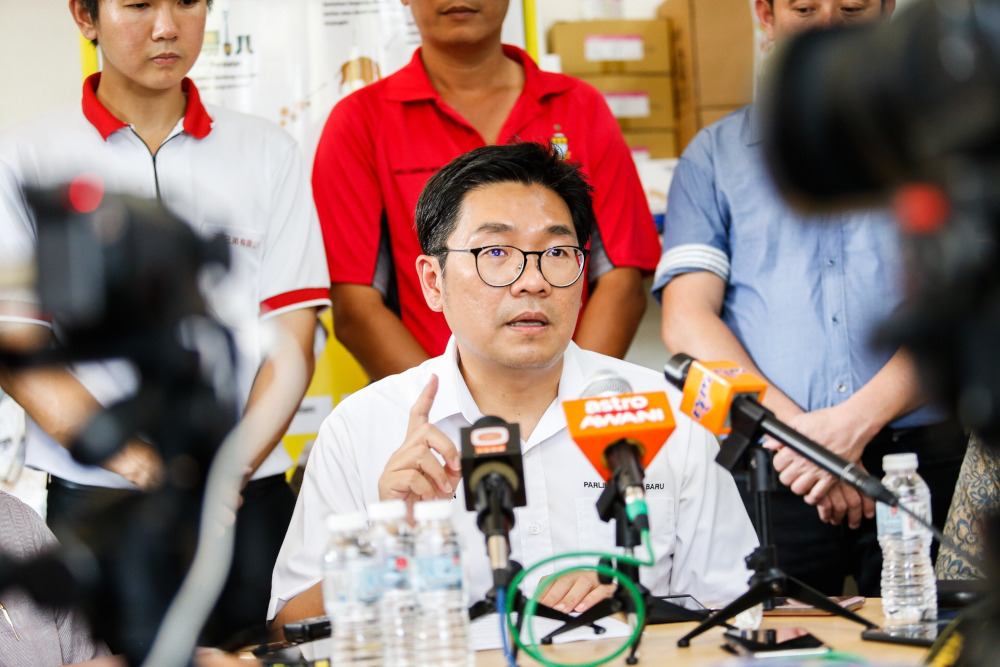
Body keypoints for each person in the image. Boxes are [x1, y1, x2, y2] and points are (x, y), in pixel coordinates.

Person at [269, 142, 758, 632]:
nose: (532, 281)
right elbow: (286, 631)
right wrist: (388, 542)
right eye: (496, 252)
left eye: (558, 252)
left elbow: (740, 608)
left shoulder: (662, 411)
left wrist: (639, 601)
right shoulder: (362, 429)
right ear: (432, 281)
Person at [0, 0, 330, 645]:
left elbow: (293, 335)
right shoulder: (26, 154)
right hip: (96, 494)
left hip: (248, 495)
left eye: (187, 2)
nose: (166, 26)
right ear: (85, 15)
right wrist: (141, 465)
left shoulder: (267, 150)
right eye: (139, 4)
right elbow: (17, 340)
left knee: (262, 654)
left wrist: (224, 469)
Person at [653, 0, 968, 597]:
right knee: (771, 639)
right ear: (765, 16)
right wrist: (808, 440)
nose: (827, 27)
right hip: (773, 462)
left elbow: (963, 305)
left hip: (924, 459)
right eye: (804, 8)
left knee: (932, 637)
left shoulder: (945, 142)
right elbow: (687, 320)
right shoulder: (714, 156)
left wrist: (852, 423)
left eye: (851, 8)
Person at [315, 0, 660, 381]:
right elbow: (355, 307)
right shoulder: (360, 122)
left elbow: (621, 280)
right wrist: (448, 411)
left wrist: (568, 403)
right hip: (431, 417)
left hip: (568, 408)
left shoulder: (581, 106)